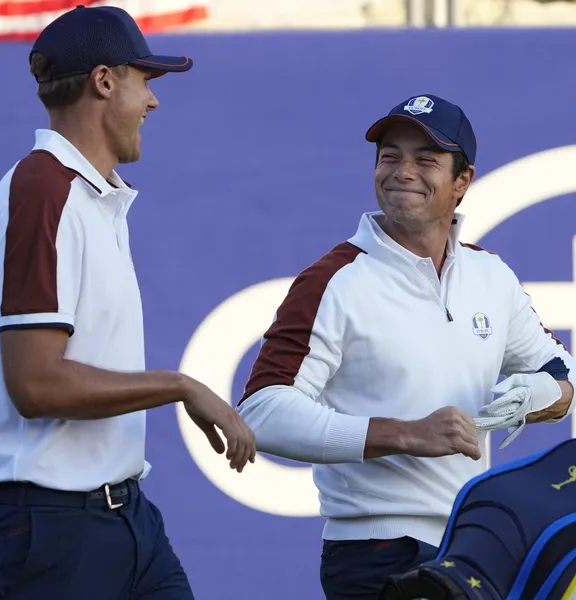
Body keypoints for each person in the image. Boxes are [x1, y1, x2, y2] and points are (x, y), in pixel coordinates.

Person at [236, 94, 576, 599]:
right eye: (390, 156)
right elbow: (261, 413)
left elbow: (562, 372)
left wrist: (539, 397)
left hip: (471, 548)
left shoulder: (490, 274)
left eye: (425, 159)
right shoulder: (333, 280)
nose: (402, 171)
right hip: (377, 549)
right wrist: (409, 434)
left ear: (463, 181)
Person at [0, 6, 255, 600]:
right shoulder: (44, 191)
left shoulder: (84, 194)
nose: (153, 101)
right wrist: (180, 386)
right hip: (47, 532)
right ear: (104, 81)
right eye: (145, 79)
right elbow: (36, 384)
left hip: (123, 518)